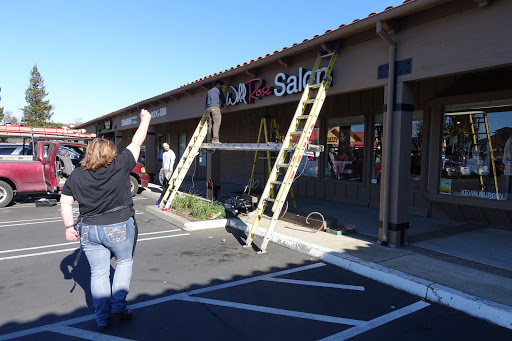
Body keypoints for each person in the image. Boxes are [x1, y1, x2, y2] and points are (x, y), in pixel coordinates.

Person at [60, 109, 151, 332]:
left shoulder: (77, 175)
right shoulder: (119, 165)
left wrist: (69, 227)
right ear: (110, 152)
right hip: (118, 226)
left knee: (98, 273)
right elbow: (137, 142)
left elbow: (65, 202)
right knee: (124, 263)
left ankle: (102, 318)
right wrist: (146, 120)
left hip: (88, 230)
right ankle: (118, 306)